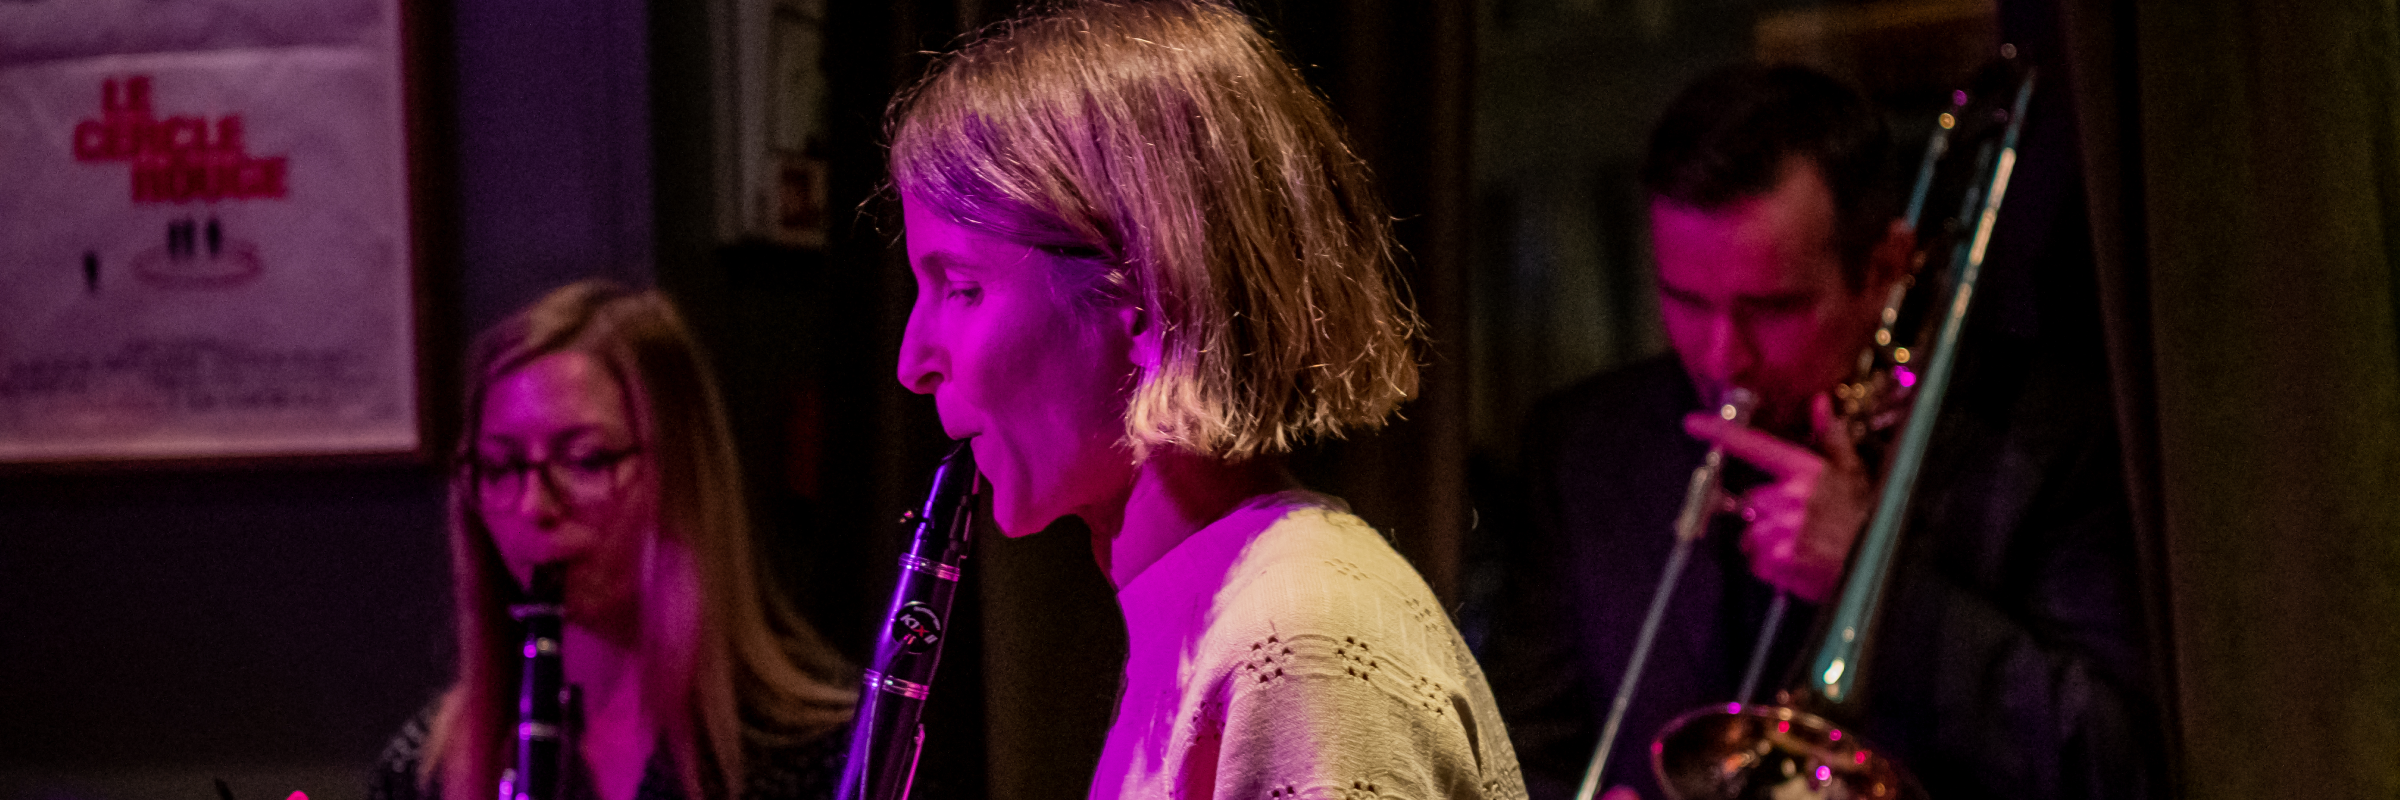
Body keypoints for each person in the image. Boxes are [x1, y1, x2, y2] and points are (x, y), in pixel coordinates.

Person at [886, 2, 1526, 797]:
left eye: (964, 287)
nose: (915, 362)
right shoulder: (1206, 606)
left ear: (1153, 292)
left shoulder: (1299, 632)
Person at [1481, 65, 2159, 800]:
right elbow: (1516, 755)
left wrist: (1873, 579)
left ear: (1885, 268)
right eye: (1683, 298)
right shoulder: (1586, 445)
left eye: (1771, 308)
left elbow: (2114, 764)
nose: (1721, 357)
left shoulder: (2049, 439)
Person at [370, 280, 857, 800]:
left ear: (682, 471)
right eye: (501, 466)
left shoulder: (824, 753)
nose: (535, 505)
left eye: (585, 460)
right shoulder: (424, 770)